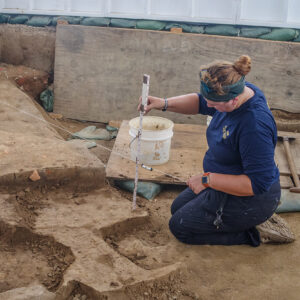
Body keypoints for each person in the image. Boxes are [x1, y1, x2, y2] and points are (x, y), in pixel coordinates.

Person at [140, 55, 281, 246]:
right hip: (225, 179)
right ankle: (232, 218)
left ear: (233, 100)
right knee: (178, 208)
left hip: (251, 199)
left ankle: (254, 234)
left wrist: (208, 180)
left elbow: (257, 184)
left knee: (180, 227)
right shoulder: (240, 90)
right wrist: (163, 103)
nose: (208, 106)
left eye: (214, 104)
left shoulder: (254, 126)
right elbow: (200, 102)